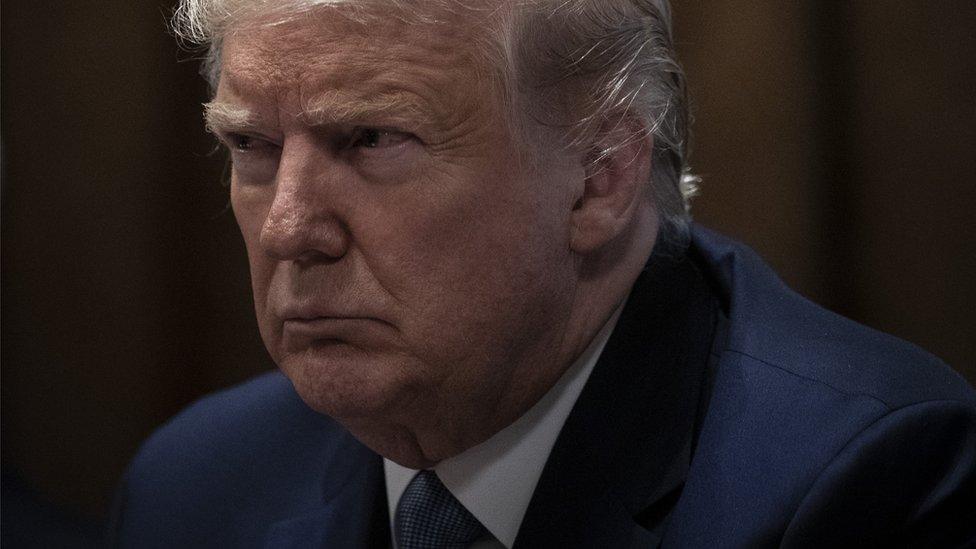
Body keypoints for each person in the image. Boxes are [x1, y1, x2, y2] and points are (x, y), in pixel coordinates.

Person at [111, 1, 976, 547]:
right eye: (251, 146)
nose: (290, 227)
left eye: (371, 140)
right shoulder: (194, 484)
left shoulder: (864, 484)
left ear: (600, 174)